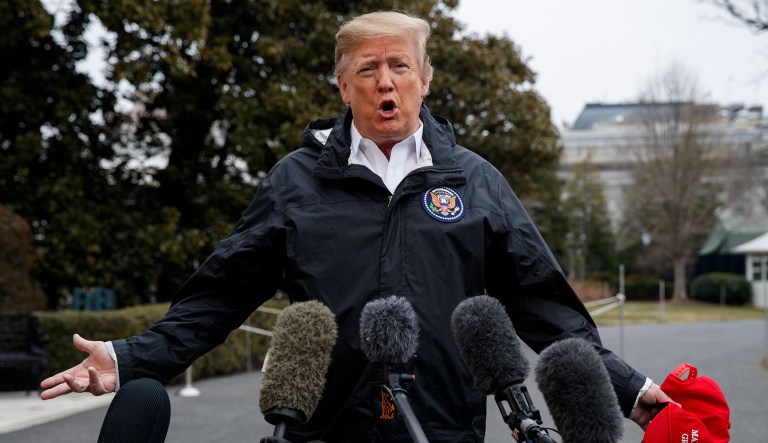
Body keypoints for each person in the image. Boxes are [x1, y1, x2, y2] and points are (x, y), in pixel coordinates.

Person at [41, 10, 672, 442]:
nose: (385, 82)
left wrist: (629, 388)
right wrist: (128, 357)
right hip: (326, 428)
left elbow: (544, 304)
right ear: (344, 87)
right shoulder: (296, 181)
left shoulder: (475, 181)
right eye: (367, 70)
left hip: (445, 429)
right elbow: (220, 294)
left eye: (400, 66)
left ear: (424, 80)